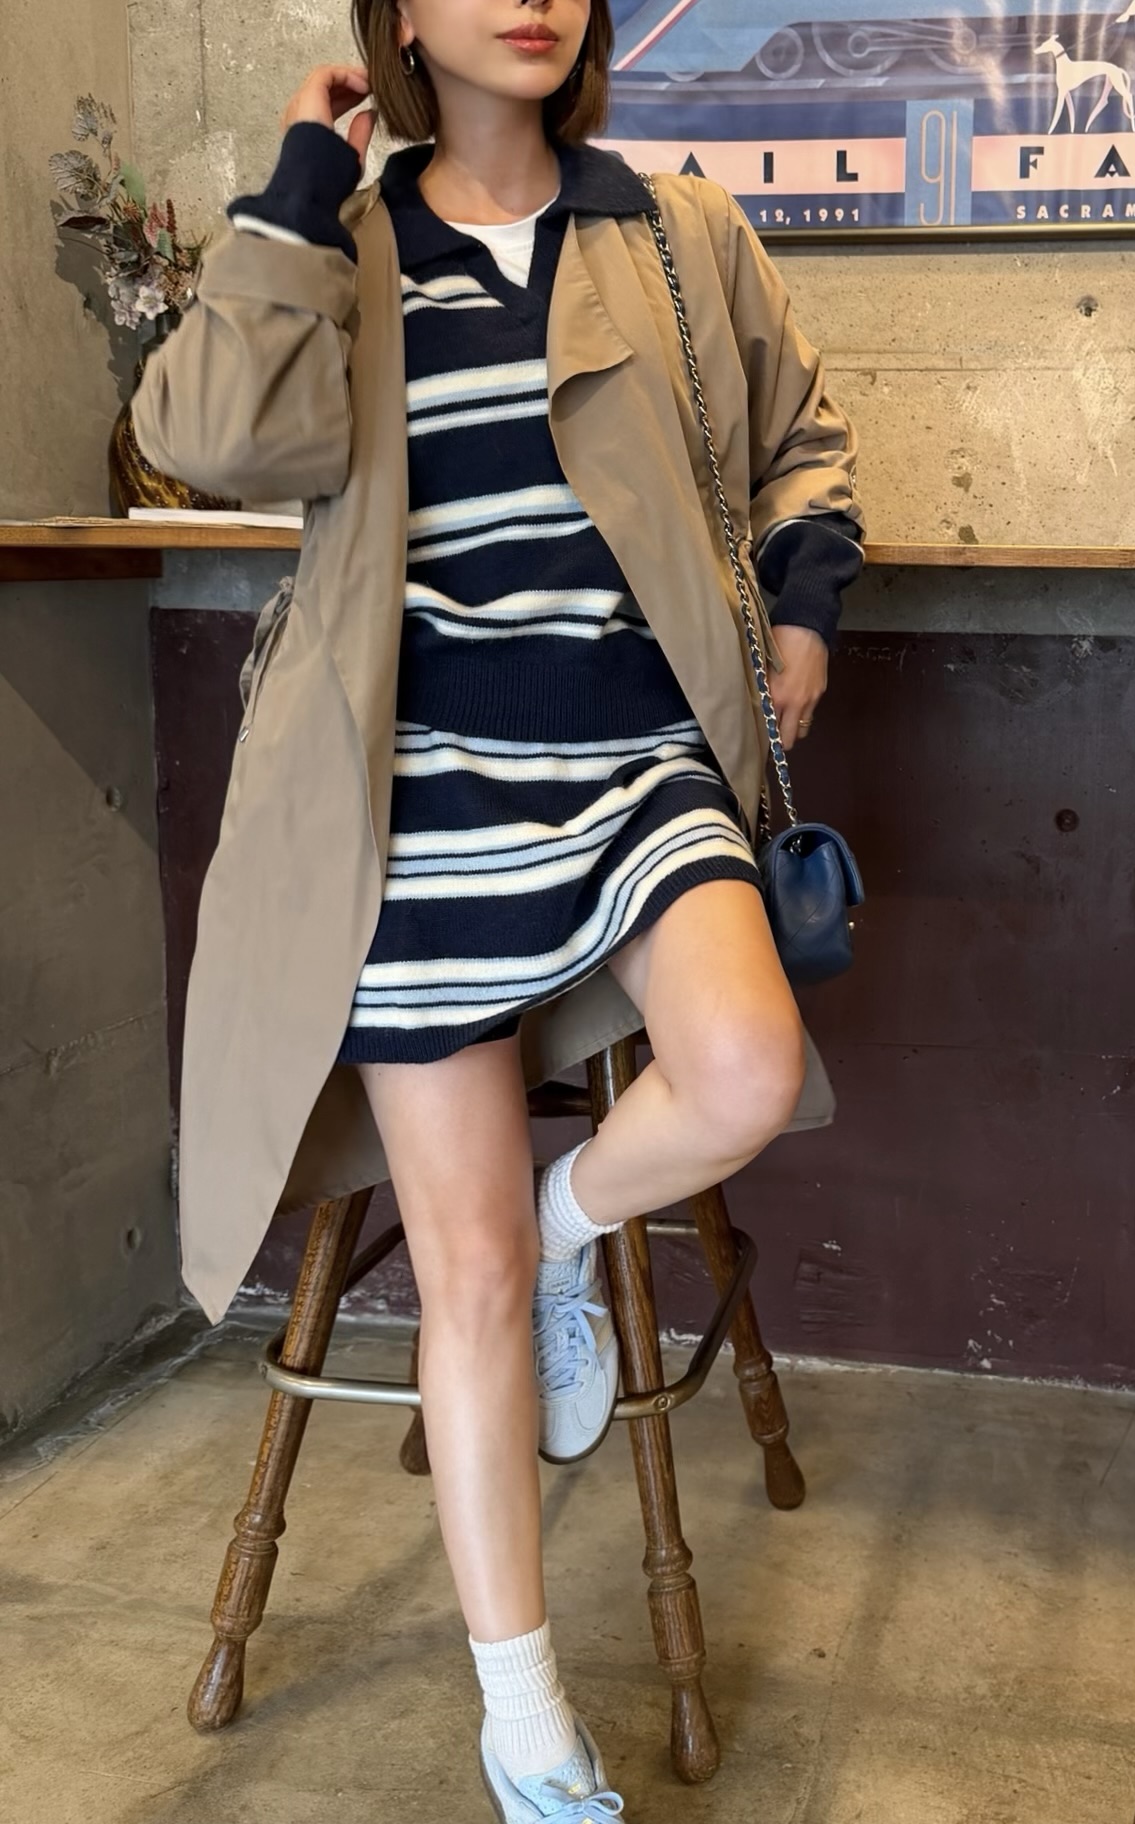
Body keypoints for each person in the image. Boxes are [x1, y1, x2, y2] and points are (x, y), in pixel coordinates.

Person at [132, 2, 863, 1817]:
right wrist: (293, 189)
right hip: (414, 798)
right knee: (449, 1282)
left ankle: (565, 1227)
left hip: (640, 757)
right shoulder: (344, 241)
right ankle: (522, 1722)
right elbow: (205, 438)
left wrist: (800, 618)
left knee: (749, 1069)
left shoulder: (677, 232)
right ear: (399, 18)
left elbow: (803, 440)